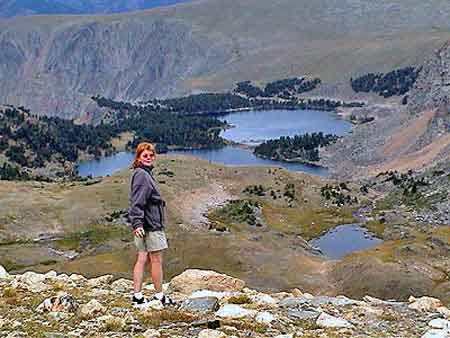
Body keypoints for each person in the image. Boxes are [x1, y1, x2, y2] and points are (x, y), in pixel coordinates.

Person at [128, 142, 174, 306]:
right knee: (156, 261)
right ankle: (159, 296)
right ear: (139, 157)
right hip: (150, 225)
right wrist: (138, 224)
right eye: (145, 155)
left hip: (143, 224)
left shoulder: (140, 173)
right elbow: (137, 202)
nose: (149, 158)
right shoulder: (142, 175)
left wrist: (137, 224)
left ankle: (137, 295)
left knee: (142, 258)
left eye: (151, 155)